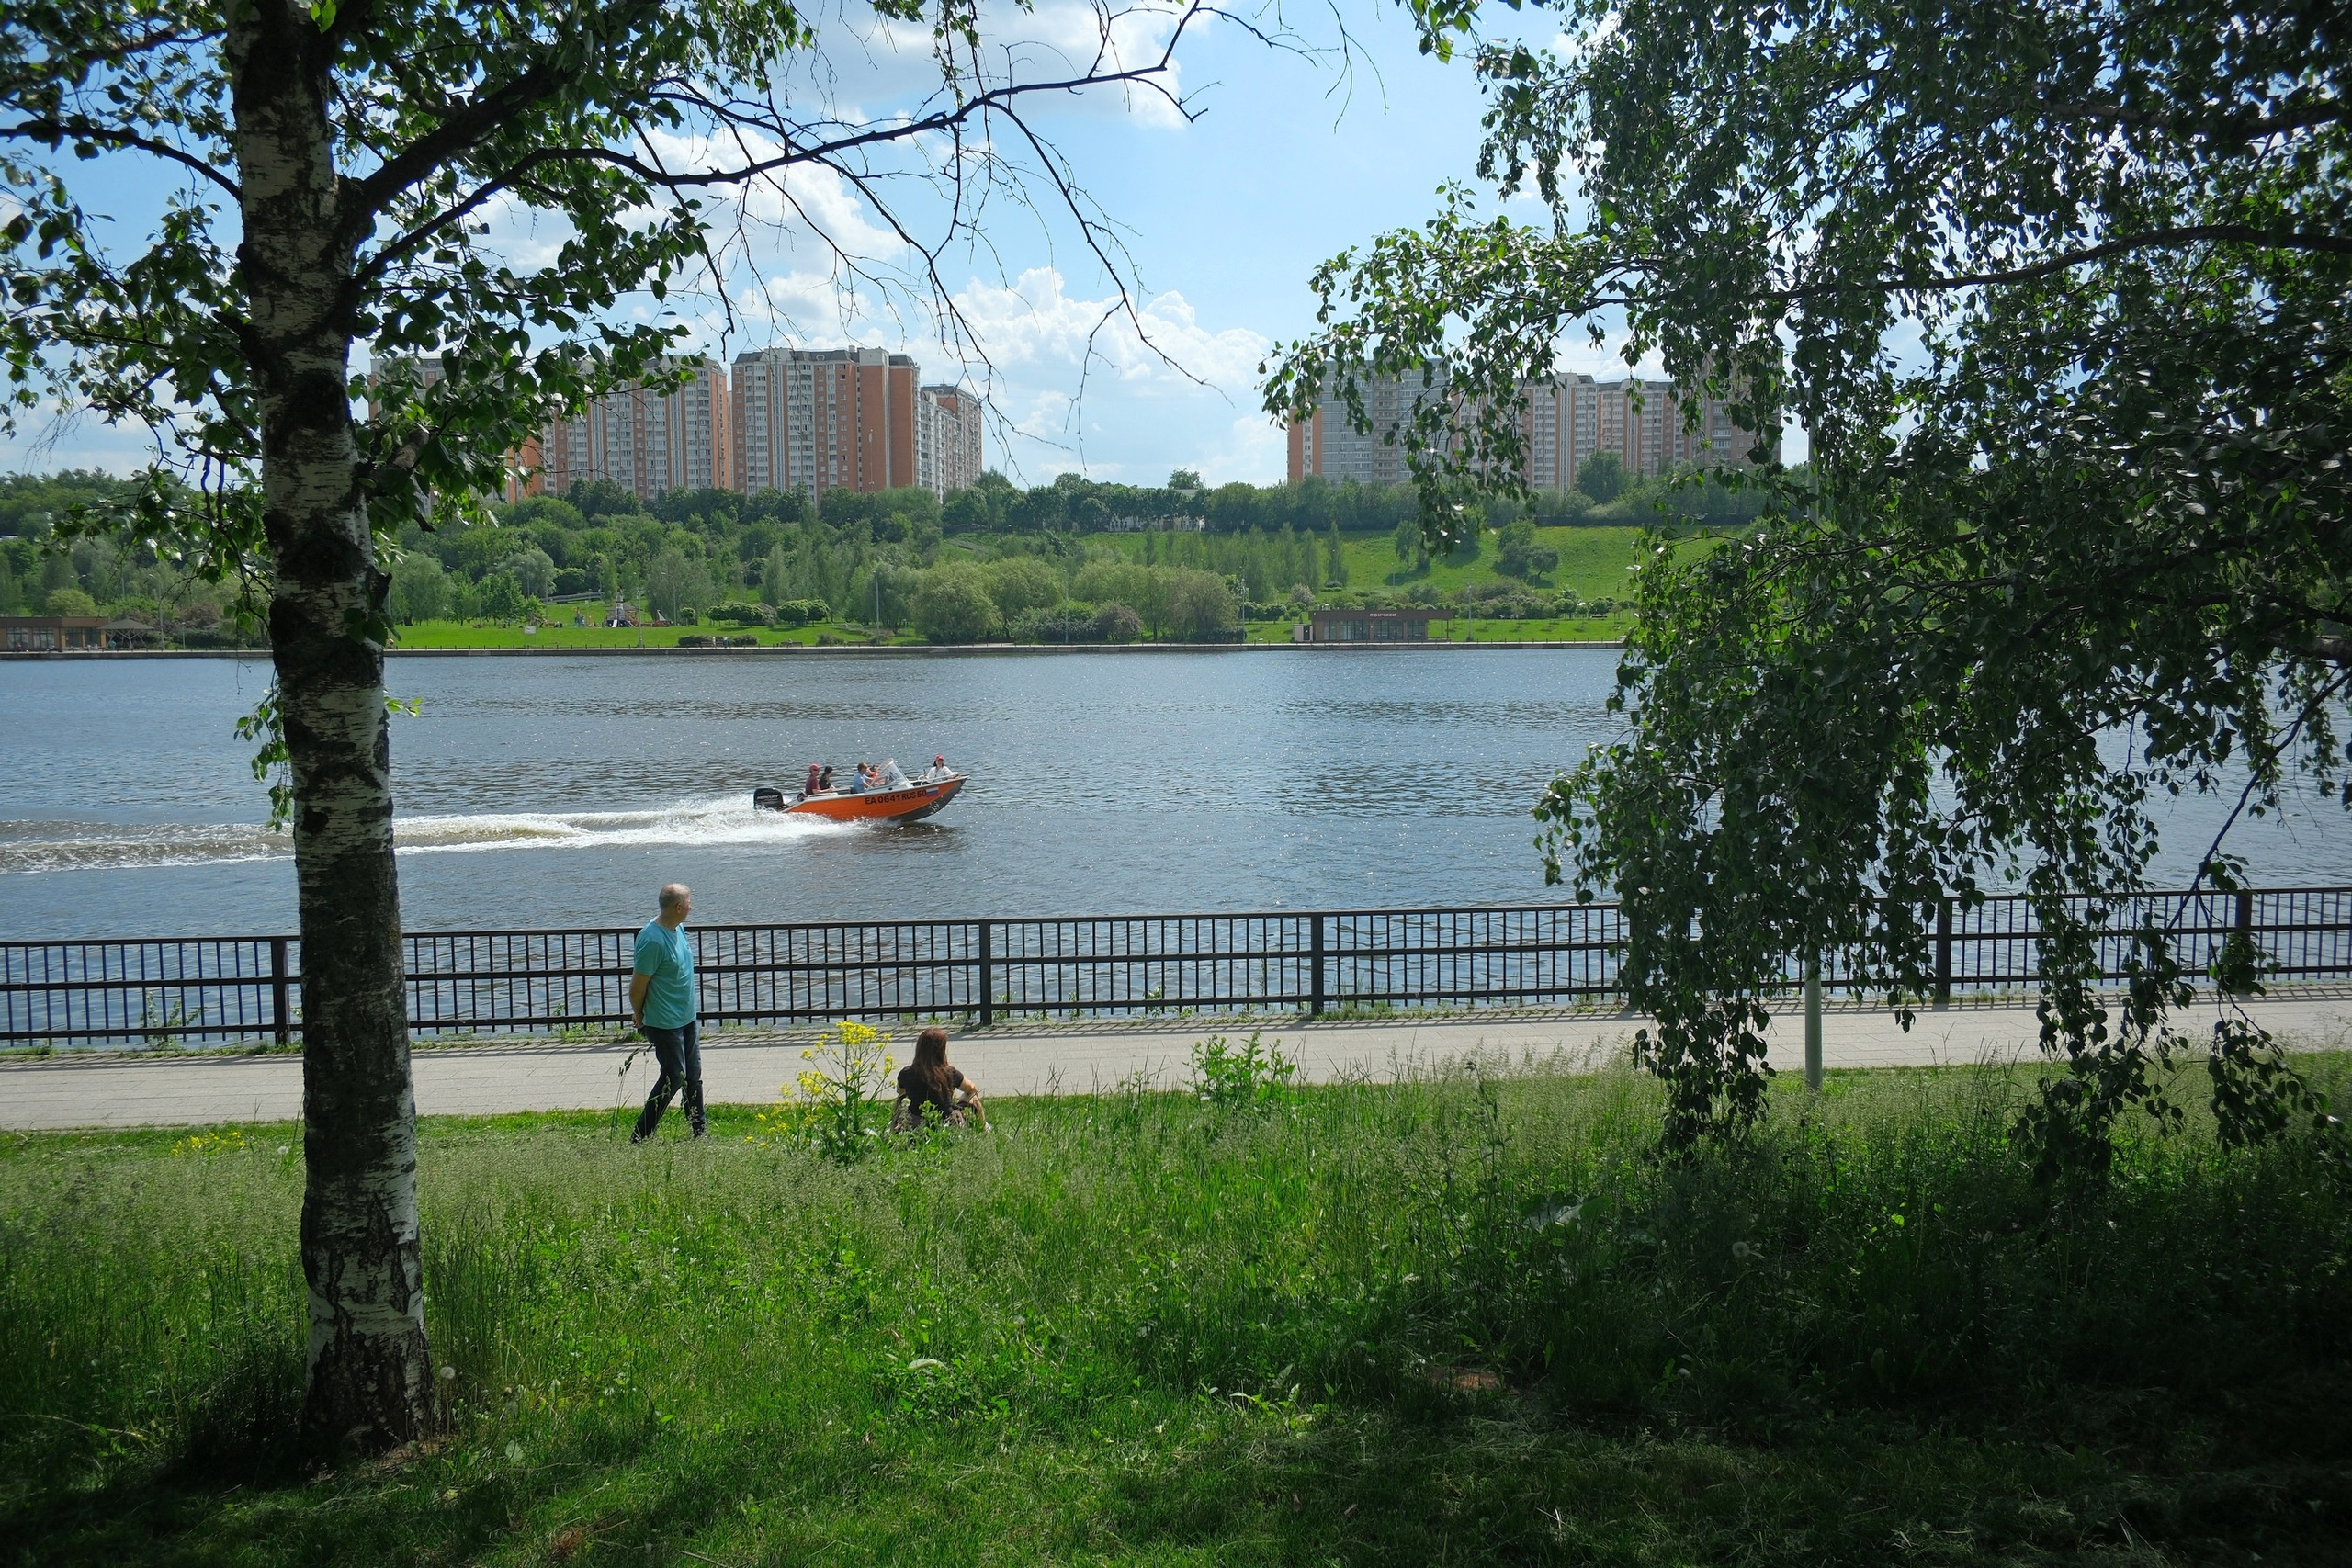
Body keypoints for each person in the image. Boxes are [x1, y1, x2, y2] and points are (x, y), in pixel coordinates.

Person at [629, 883, 703, 1142]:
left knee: (693, 1076)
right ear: (679, 907)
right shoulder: (651, 939)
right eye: (689, 903)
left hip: (687, 1019)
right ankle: (641, 1135)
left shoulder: (678, 929)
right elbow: (638, 986)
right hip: (664, 1023)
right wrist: (639, 1015)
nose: (692, 907)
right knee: (673, 1078)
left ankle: (699, 1132)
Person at [890, 1026, 985, 1133]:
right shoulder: (950, 1072)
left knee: (900, 1099)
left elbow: (900, 1091)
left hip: (915, 1124)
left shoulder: (907, 1073)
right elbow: (971, 1088)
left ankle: (892, 1130)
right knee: (972, 1096)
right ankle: (984, 1127)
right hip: (947, 1123)